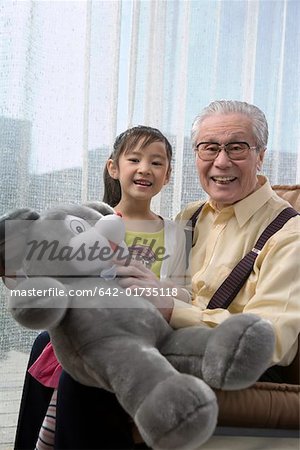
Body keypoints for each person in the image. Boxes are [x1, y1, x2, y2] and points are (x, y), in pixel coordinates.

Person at [15, 125, 189, 450]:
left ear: (167, 175)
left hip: (139, 328)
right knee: (45, 342)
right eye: (134, 159)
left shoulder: (175, 234)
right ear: (113, 167)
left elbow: (179, 292)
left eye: (156, 162)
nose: (144, 169)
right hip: (90, 321)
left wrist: (155, 289)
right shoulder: (90, 221)